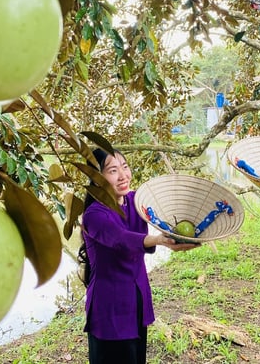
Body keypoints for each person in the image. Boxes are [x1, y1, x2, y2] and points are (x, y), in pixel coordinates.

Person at [77, 148, 197, 364]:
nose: (123, 176)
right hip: (110, 307)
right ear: (97, 178)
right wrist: (160, 240)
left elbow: (166, 203)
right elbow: (121, 239)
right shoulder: (94, 215)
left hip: (136, 300)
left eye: (125, 166)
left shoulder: (135, 201)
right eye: (113, 170)